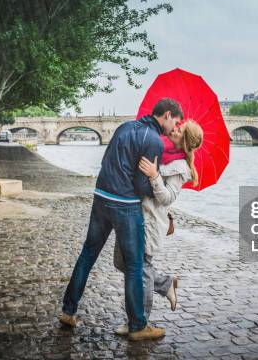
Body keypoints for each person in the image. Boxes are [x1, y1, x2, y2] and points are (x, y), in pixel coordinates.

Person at [59, 98, 183, 341]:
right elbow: (140, 183)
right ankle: (138, 325)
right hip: (125, 205)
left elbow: (106, 161)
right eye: (175, 122)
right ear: (167, 115)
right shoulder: (154, 141)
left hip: (101, 196)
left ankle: (68, 310)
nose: (174, 128)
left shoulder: (125, 127)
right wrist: (155, 186)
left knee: (87, 255)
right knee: (135, 265)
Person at [113, 120, 203, 335]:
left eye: (179, 130)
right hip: (133, 211)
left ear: (185, 141)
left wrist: (154, 176)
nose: (174, 128)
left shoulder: (180, 167)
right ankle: (165, 284)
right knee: (121, 262)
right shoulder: (159, 149)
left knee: (141, 270)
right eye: (177, 125)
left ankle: (139, 323)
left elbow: (166, 198)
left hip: (150, 220)